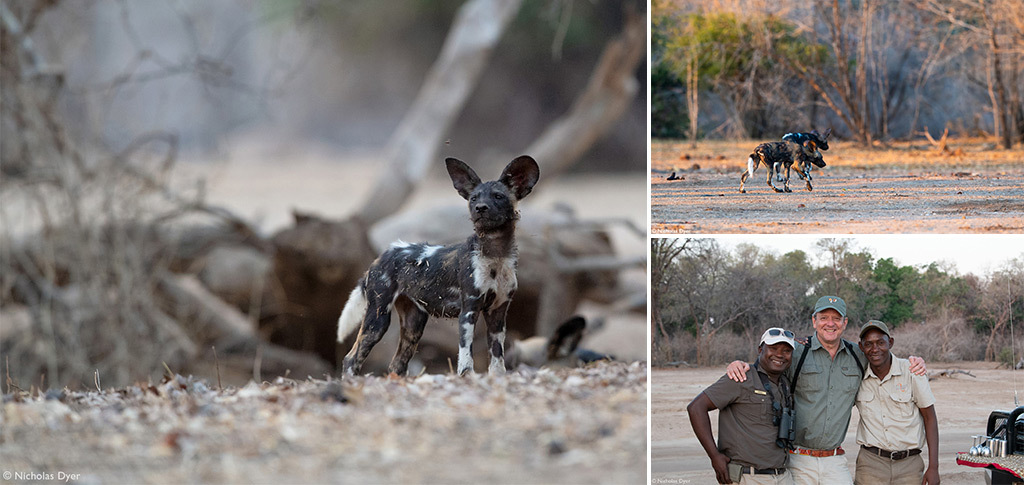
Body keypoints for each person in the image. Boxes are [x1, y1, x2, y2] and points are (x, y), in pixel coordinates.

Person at [726, 296, 927, 485]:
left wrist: (913, 361)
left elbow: (881, 355)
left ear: (844, 323)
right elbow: (766, 369)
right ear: (814, 321)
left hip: (834, 460)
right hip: (797, 458)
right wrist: (741, 364)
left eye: (836, 318)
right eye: (824, 318)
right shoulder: (796, 353)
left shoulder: (858, 355)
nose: (830, 323)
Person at [688, 327, 797, 484]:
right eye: (773, 348)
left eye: (786, 351)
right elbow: (696, 408)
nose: (780, 354)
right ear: (760, 349)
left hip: (782, 476)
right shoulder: (740, 377)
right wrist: (714, 456)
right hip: (748, 477)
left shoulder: (785, 384)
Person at [855, 320, 939, 485]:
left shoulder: (912, 371)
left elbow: (930, 419)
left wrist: (934, 467)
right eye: (868, 344)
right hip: (871, 464)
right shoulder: (856, 375)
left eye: (881, 343)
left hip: (909, 465)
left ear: (890, 342)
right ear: (861, 347)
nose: (875, 349)